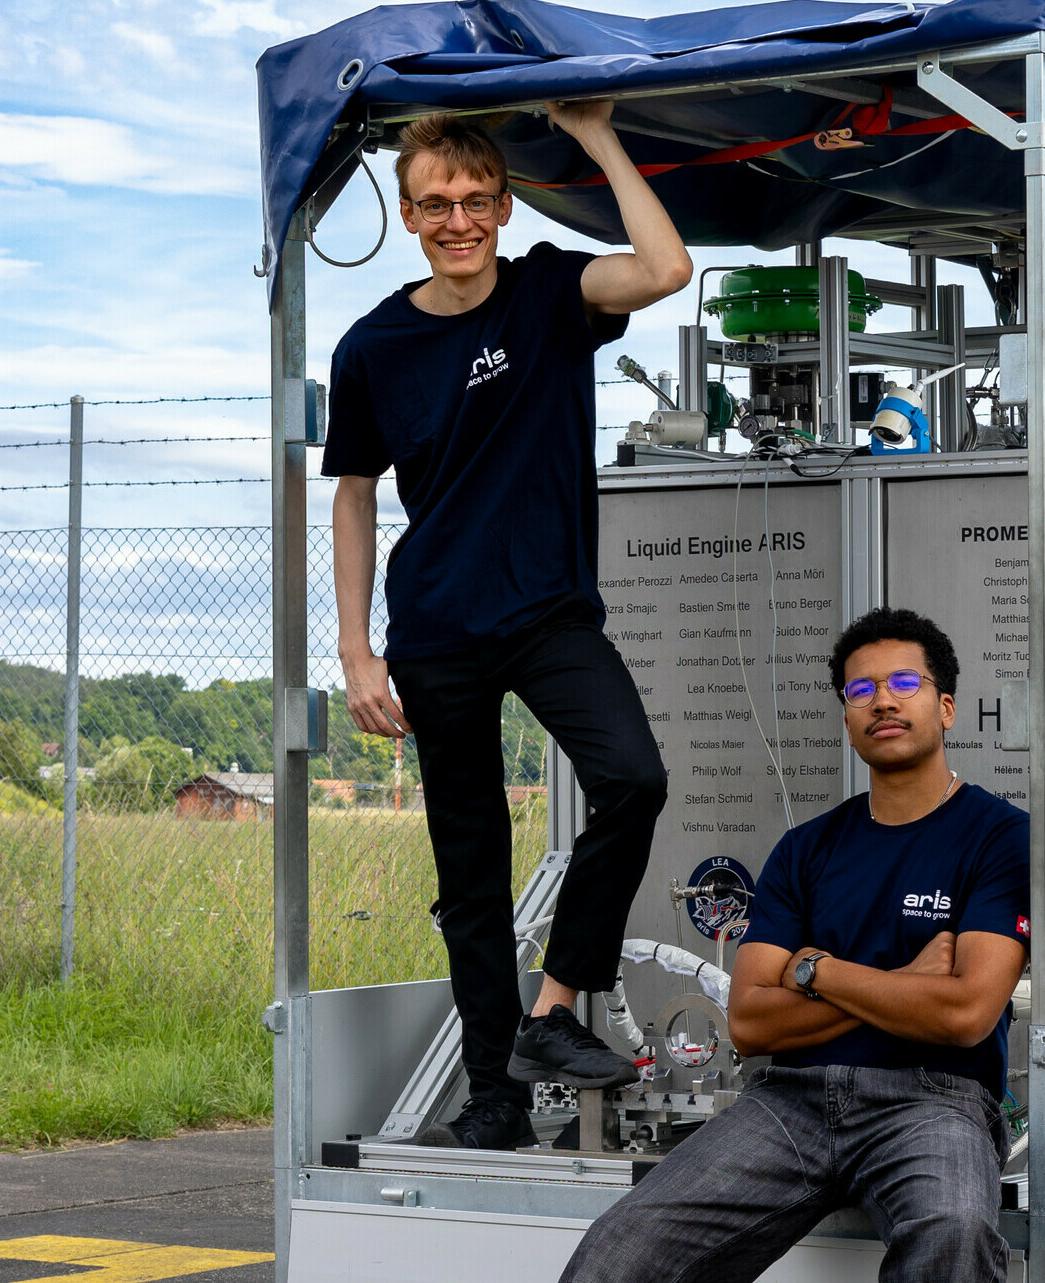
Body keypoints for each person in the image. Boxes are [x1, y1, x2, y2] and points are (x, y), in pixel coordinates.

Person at [323, 103, 695, 1151]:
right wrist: (355, 648)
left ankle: (551, 1009)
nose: (456, 220)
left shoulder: (547, 290)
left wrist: (599, 138)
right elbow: (352, 492)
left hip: (548, 611)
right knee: (471, 875)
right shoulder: (372, 347)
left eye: (474, 200)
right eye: (435, 203)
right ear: (406, 214)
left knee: (632, 776)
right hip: (434, 627)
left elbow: (666, 268)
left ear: (502, 203)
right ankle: (494, 1102)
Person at [560, 608, 1027, 1283]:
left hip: (933, 1101)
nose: (882, 700)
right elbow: (750, 1022)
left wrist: (812, 969)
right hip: (789, 1100)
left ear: (946, 706)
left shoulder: (999, 836)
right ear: (845, 716)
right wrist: (898, 979)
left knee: (951, 1232)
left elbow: (963, 1016)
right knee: (620, 1246)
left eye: (903, 681)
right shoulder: (805, 849)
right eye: (859, 691)